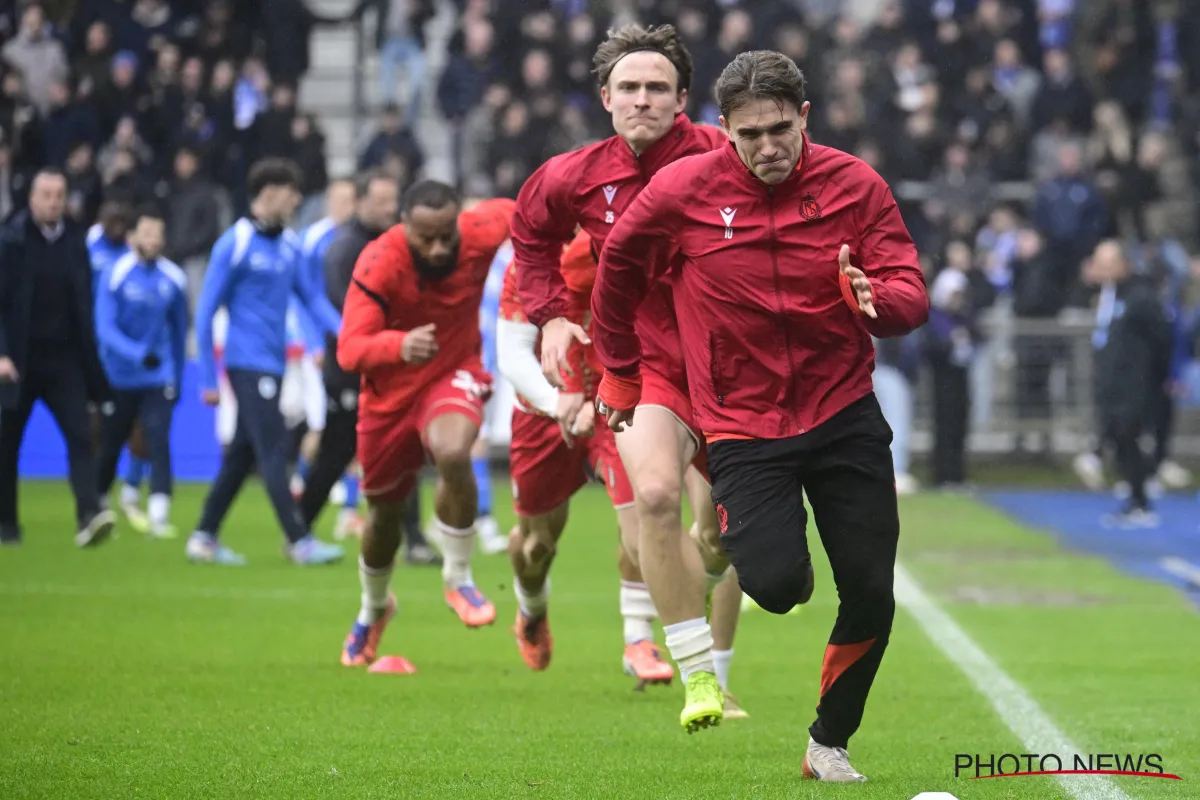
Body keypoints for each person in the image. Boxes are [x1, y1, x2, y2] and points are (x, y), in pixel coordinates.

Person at [591, 51, 929, 780]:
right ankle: (756, 560)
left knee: (871, 587)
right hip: (742, 425)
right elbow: (616, 268)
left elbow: (908, 284)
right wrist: (619, 372)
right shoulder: (683, 189)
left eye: (781, 129)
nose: (769, 148)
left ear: (805, 117)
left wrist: (883, 301)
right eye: (751, 135)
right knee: (776, 587)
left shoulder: (854, 184)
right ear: (724, 129)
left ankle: (828, 743)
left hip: (843, 411)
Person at [510, 22, 744, 733]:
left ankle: (710, 641)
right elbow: (533, 239)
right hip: (644, 361)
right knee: (655, 495)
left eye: (658, 88)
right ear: (606, 97)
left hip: (733, 360)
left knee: (722, 541)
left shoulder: (726, 154)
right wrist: (551, 316)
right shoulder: (570, 175)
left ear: (683, 100)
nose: (643, 100)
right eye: (630, 88)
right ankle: (699, 676)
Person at [337, 180, 513, 666]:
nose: (438, 249)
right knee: (384, 516)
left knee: (454, 451)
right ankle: (375, 608)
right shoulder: (379, 261)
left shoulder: (481, 228)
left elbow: (535, 210)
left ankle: (458, 578)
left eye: (446, 237)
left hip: (453, 374)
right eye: (425, 239)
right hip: (390, 396)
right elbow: (349, 349)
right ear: (404, 227)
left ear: (460, 222)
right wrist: (397, 345)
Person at [497, 229, 674, 687]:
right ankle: (532, 608)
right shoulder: (532, 266)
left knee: (642, 514)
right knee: (536, 545)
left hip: (617, 402)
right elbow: (512, 354)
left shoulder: (639, 248)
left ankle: (639, 638)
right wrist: (555, 400)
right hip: (543, 410)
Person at [189, 158, 346, 566]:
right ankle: (299, 540)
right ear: (270, 192)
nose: (296, 201)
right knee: (274, 448)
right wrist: (209, 377)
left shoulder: (290, 246)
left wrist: (347, 330)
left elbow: (310, 297)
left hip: (273, 363)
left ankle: (204, 535)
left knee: (242, 454)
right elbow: (206, 312)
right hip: (245, 361)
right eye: (292, 193)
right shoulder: (236, 242)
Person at [0, 169, 115, 547]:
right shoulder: (11, 240)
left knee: (81, 436)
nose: (53, 201)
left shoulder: (75, 243)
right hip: (19, 360)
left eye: (59, 194)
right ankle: (7, 527)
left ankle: (88, 515)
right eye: (46, 194)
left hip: (65, 358)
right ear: (32, 198)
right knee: (6, 444)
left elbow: (84, 305)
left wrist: (91, 363)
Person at [93, 206, 188, 539]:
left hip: (157, 377)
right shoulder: (116, 273)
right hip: (119, 376)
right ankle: (99, 506)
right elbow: (104, 328)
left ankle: (159, 516)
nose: (152, 240)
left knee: (158, 441)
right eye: (147, 233)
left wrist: (177, 378)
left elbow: (178, 333)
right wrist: (136, 354)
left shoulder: (173, 278)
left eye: (157, 234)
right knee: (111, 443)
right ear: (134, 237)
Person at [1086, 239, 1172, 528]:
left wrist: (1155, 379)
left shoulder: (1141, 297)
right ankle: (1135, 494)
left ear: (1124, 264)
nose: (1102, 269)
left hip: (1135, 385)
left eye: (1108, 263)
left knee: (1129, 437)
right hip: (1113, 383)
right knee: (1118, 438)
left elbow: (1162, 340)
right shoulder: (1111, 294)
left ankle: (1141, 500)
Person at [87, 201, 154, 528]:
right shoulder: (89, 246)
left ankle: (130, 490)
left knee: (140, 428)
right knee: (102, 429)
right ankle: (96, 495)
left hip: (132, 359)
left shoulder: (134, 256)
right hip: (97, 352)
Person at [290, 178, 356, 500]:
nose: (343, 205)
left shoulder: (362, 240)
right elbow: (303, 297)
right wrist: (314, 342)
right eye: (338, 199)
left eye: (349, 199)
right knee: (320, 424)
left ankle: (348, 507)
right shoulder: (313, 238)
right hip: (323, 348)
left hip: (354, 346)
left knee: (355, 424)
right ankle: (302, 486)